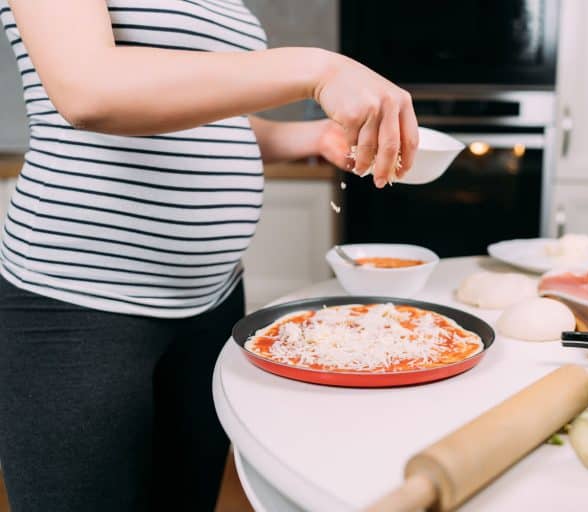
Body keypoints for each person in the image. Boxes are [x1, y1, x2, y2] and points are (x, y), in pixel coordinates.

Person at [0, 1, 419, 511]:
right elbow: (88, 88)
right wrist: (319, 68)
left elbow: (210, 120)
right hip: (77, 306)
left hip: (212, 303)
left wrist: (311, 137)